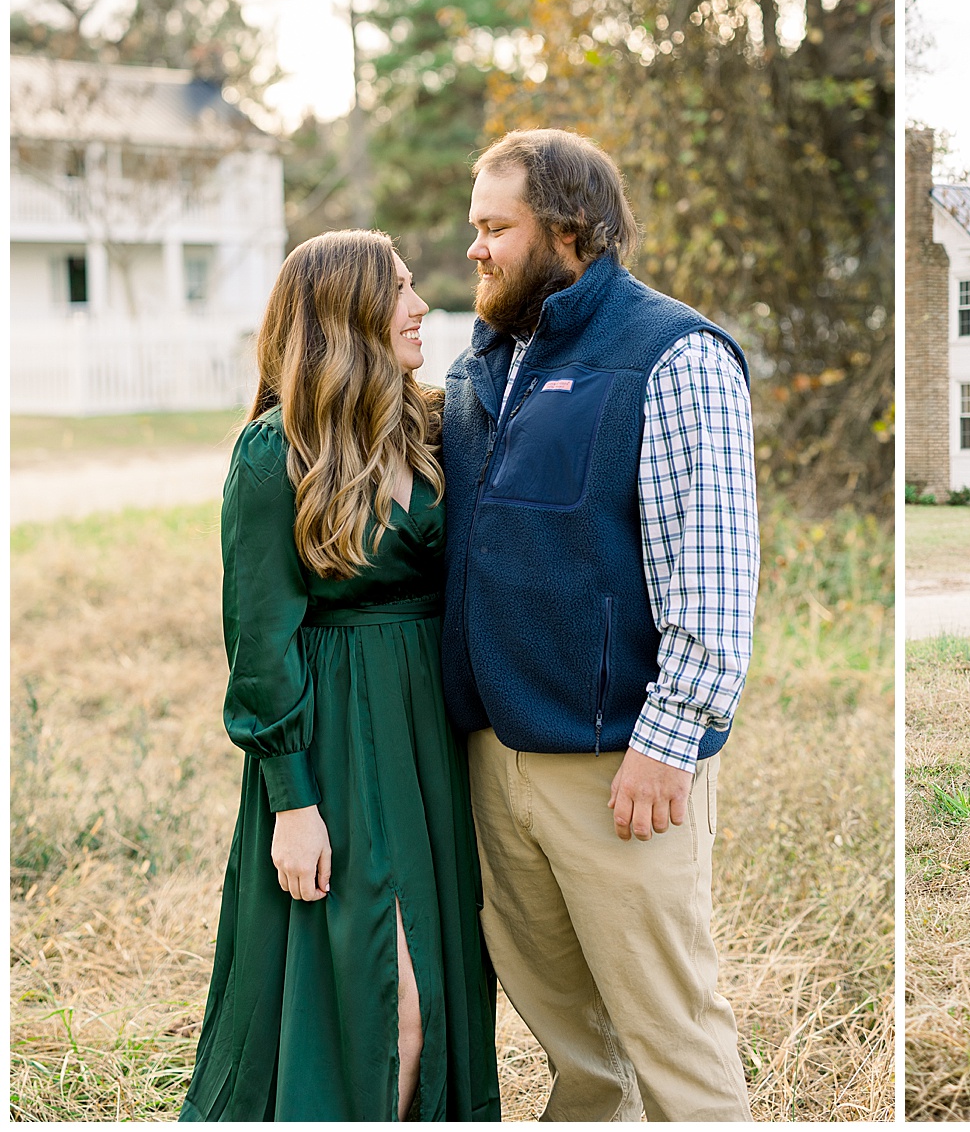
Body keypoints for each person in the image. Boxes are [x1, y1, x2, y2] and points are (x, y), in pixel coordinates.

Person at [439, 129, 758, 1121]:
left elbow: (711, 575)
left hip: (623, 769)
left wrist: (666, 745)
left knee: (674, 1039)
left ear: (567, 231)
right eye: (474, 230)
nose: (477, 250)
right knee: (577, 1051)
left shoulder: (674, 353)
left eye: (496, 228)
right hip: (495, 762)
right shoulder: (483, 361)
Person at [183, 232, 501, 1121]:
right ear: (346, 317)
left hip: (433, 741)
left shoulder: (437, 425)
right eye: (397, 291)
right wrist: (292, 801)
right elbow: (258, 642)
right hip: (337, 747)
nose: (417, 305)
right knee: (380, 1004)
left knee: (437, 997)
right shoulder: (273, 453)